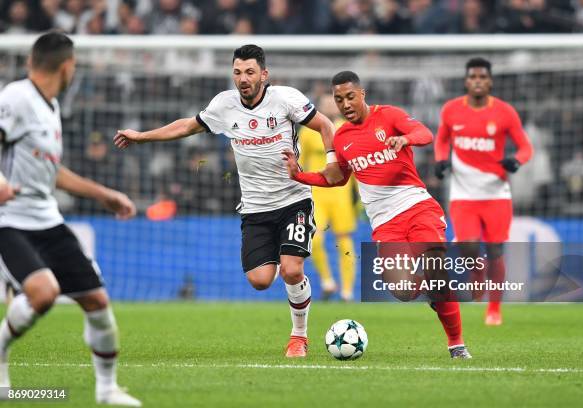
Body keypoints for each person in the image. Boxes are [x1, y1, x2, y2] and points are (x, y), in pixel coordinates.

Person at [113, 44, 342, 358]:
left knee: (292, 270)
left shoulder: (286, 99)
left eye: (249, 72)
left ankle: (298, 337)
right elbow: (187, 126)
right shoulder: (224, 105)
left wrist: (331, 162)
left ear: (264, 74)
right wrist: (141, 136)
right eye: (237, 72)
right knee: (260, 280)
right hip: (255, 207)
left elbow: (325, 125)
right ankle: (279, 257)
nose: (243, 78)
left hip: (294, 200)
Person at [283, 71, 472, 359]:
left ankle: (456, 345)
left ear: (362, 94)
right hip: (385, 222)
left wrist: (405, 139)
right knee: (403, 290)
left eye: (349, 96)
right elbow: (337, 177)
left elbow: (426, 134)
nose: (345, 104)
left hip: (417, 207)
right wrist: (300, 175)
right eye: (338, 99)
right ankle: (433, 291)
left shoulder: (389, 116)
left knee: (436, 268)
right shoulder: (342, 137)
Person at [0, 32, 141, 405]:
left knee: (97, 302)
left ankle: (107, 389)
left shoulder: (51, 107)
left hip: (47, 219)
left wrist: (105, 195)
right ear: (67, 67)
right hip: (9, 221)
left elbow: (52, 171)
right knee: (43, 293)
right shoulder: (15, 98)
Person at [434, 57, 533, 326]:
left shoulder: (504, 112)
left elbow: (525, 147)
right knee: (467, 247)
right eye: (473, 77)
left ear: (490, 81)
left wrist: (516, 161)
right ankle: (477, 276)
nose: (477, 81)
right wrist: (441, 160)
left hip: (496, 194)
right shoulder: (452, 110)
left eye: (482, 77)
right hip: (463, 194)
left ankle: (494, 308)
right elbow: (441, 140)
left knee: (495, 250)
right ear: (466, 81)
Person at [298, 94, 357, 301]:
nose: (330, 106)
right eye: (325, 103)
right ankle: (327, 281)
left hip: (341, 193)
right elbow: (300, 164)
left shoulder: (348, 129)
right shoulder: (307, 131)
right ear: (318, 107)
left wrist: (361, 194)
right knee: (313, 239)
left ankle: (347, 291)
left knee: (344, 240)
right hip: (317, 194)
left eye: (333, 102)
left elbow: (356, 163)